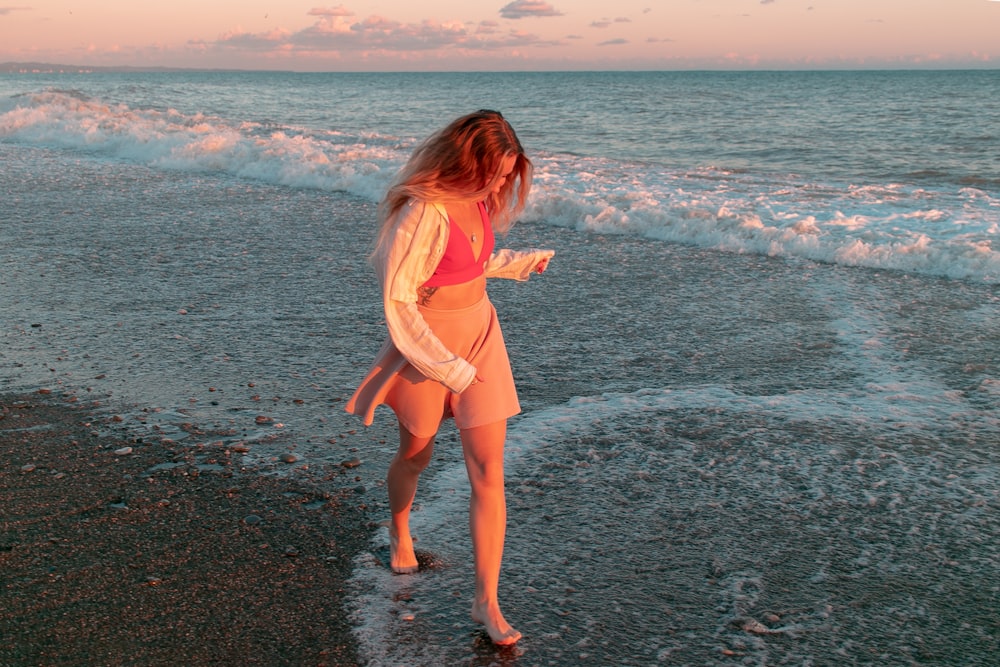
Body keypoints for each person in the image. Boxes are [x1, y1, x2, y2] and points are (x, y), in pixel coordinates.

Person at [345, 109, 553, 645]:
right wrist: (450, 369)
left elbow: (467, 265)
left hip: (482, 336)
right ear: (467, 162)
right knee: (416, 454)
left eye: (509, 173)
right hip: (426, 347)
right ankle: (400, 532)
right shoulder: (421, 211)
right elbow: (400, 302)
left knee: (489, 471)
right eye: (498, 172)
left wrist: (517, 263)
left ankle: (486, 601)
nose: (503, 183)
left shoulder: (478, 203)